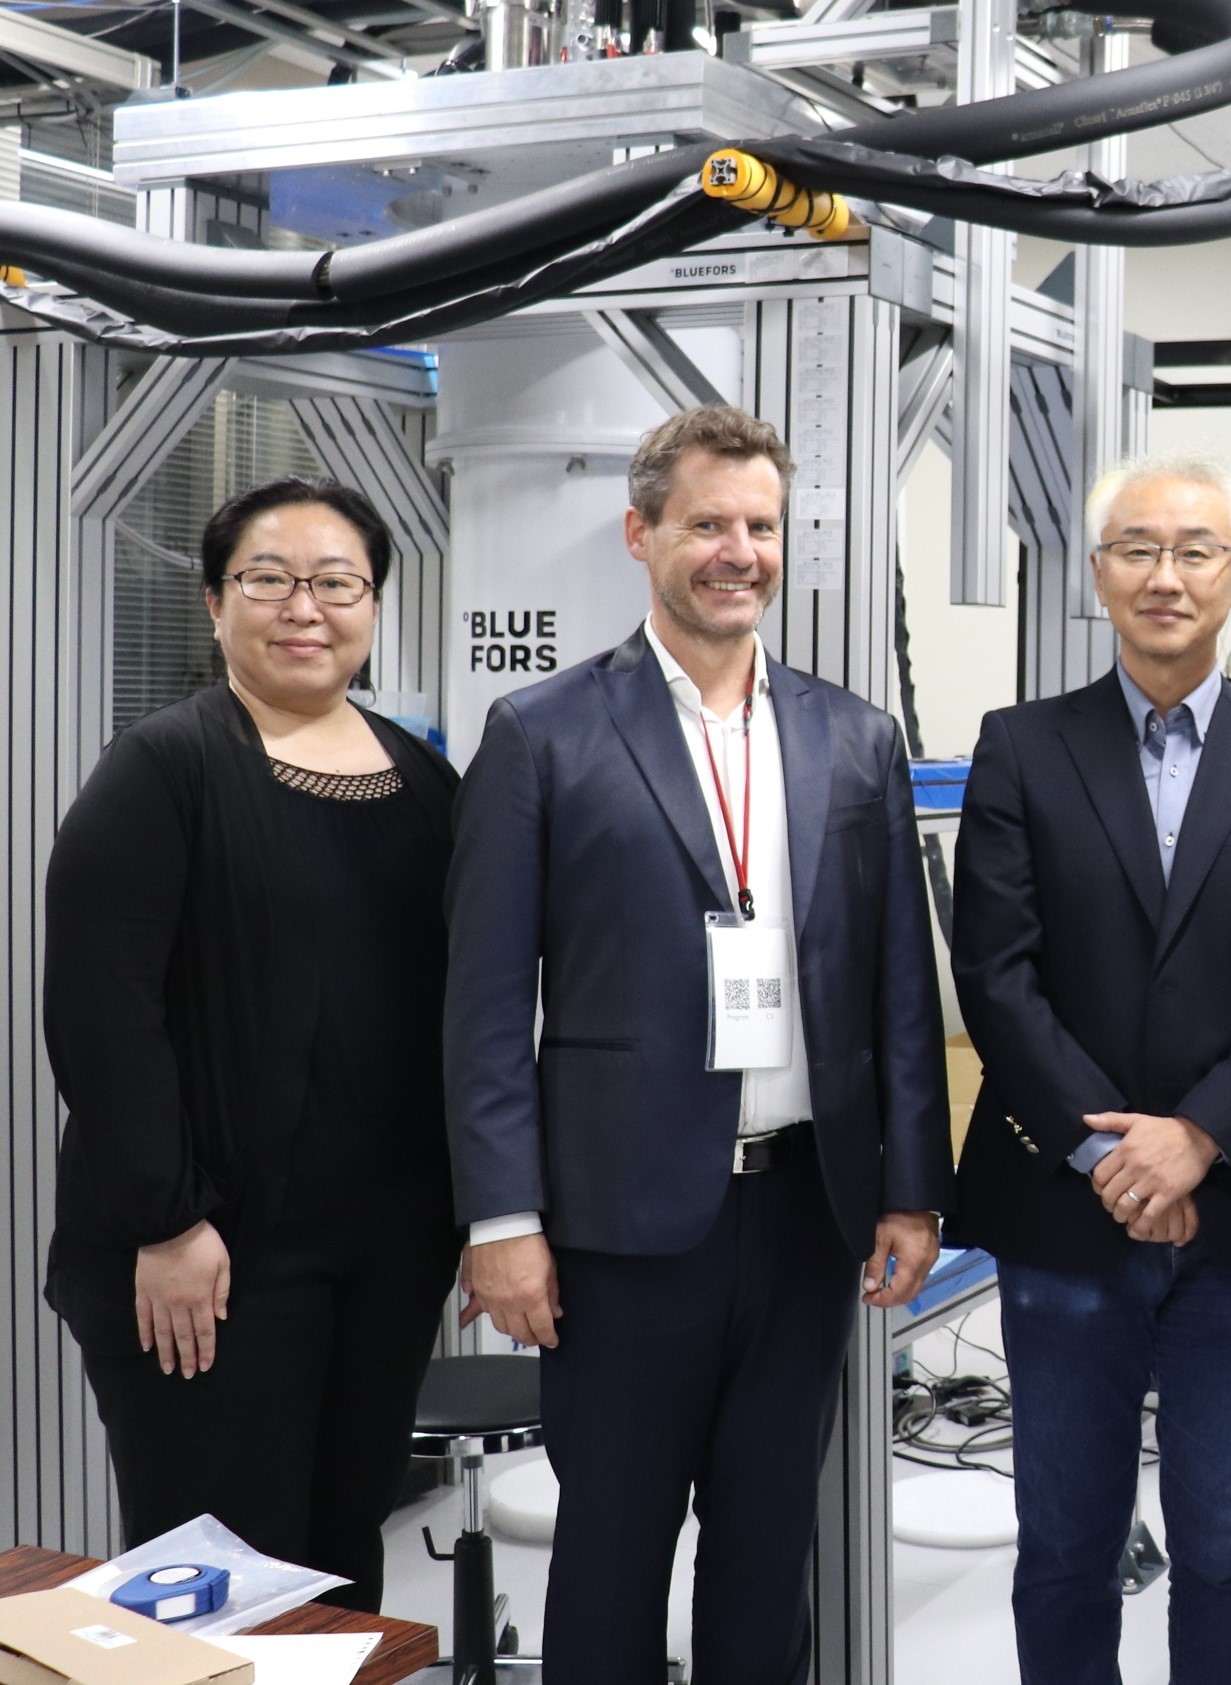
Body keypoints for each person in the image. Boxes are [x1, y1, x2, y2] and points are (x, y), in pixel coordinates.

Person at [444, 405, 952, 1684]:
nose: (740, 551)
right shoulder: (544, 731)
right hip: (620, 1229)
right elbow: (487, 998)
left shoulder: (854, 736)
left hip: (804, 1216)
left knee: (768, 1558)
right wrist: (501, 1217)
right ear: (642, 534)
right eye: (708, 523)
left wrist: (910, 1188)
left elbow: (898, 985)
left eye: (761, 525)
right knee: (611, 1558)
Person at [947, 448, 1231, 1685]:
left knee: (1228, 1548)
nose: (1165, 575)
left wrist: (1197, 1137)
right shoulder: (1022, 747)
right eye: (1138, 548)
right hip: (1064, 1209)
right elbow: (996, 973)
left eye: (1195, 550)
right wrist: (1115, 1154)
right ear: (1097, 573)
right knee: (1064, 1547)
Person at [45, 478, 459, 1609]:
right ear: (216, 602)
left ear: (372, 603)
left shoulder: (423, 780)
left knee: (342, 1549)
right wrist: (167, 1218)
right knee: (218, 1570)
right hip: (213, 1253)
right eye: (269, 579)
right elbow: (102, 1011)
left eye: (337, 582)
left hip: (386, 1250)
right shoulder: (164, 767)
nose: (304, 608)